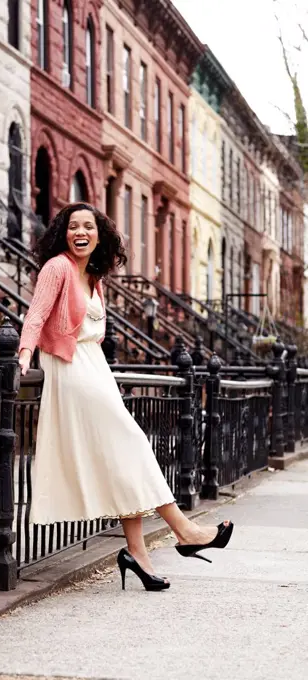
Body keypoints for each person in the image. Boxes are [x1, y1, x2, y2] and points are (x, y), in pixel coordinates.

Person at [18, 202, 233, 591]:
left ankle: (137, 554)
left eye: (88, 226)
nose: (79, 232)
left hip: (94, 367)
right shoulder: (58, 267)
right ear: (63, 234)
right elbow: (35, 314)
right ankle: (183, 529)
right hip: (69, 368)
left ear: (99, 235)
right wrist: (23, 354)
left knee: (122, 459)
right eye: (72, 226)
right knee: (131, 443)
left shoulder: (94, 277)